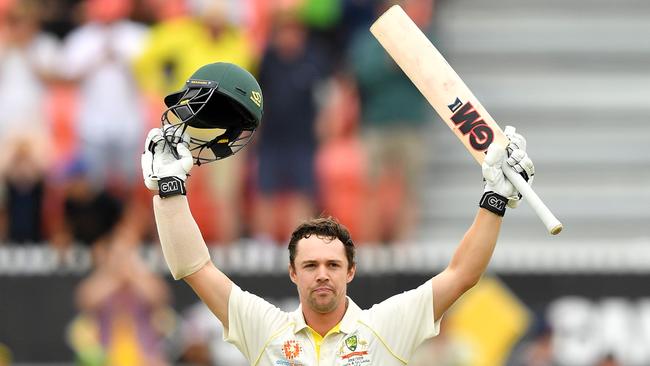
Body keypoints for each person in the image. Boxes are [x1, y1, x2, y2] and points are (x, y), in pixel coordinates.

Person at [141, 62, 535, 365]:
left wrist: (495, 198)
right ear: (293, 273)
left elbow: (462, 275)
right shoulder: (265, 328)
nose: (322, 274)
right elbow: (194, 268)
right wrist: (170, 191)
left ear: (350, 271)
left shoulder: (384, 328)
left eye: (332, 264)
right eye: (310, 265)